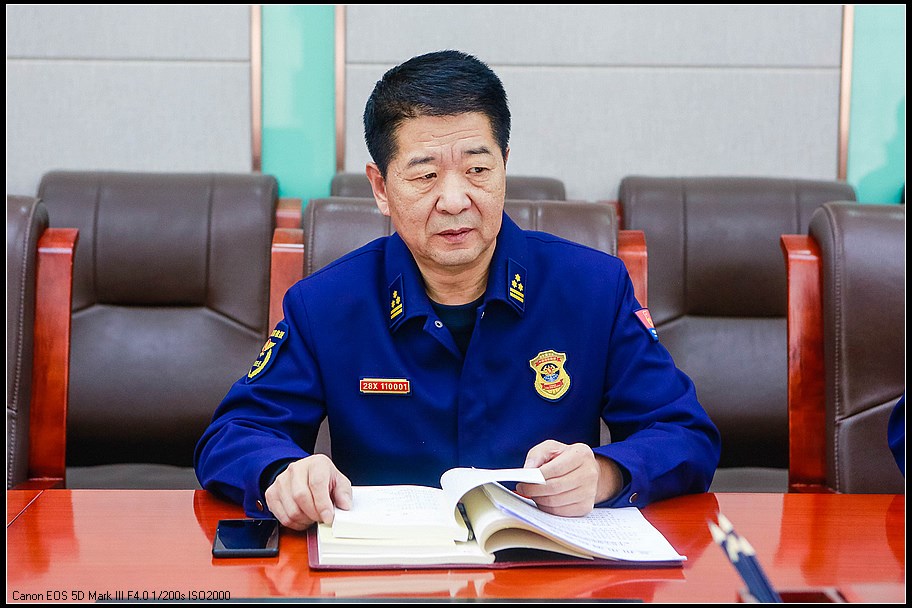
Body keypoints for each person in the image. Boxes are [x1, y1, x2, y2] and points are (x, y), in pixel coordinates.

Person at [194, 50, 721, 530]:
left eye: (477, 169)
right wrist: (281, 473)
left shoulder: (593, 289)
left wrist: (606, 474)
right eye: (425, 176)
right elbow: (233, 434)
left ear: (505, 166)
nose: (454, 199)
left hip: (544, 573)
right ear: (380, 187)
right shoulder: (326, 305)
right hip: (387, 574)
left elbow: (685, 433)